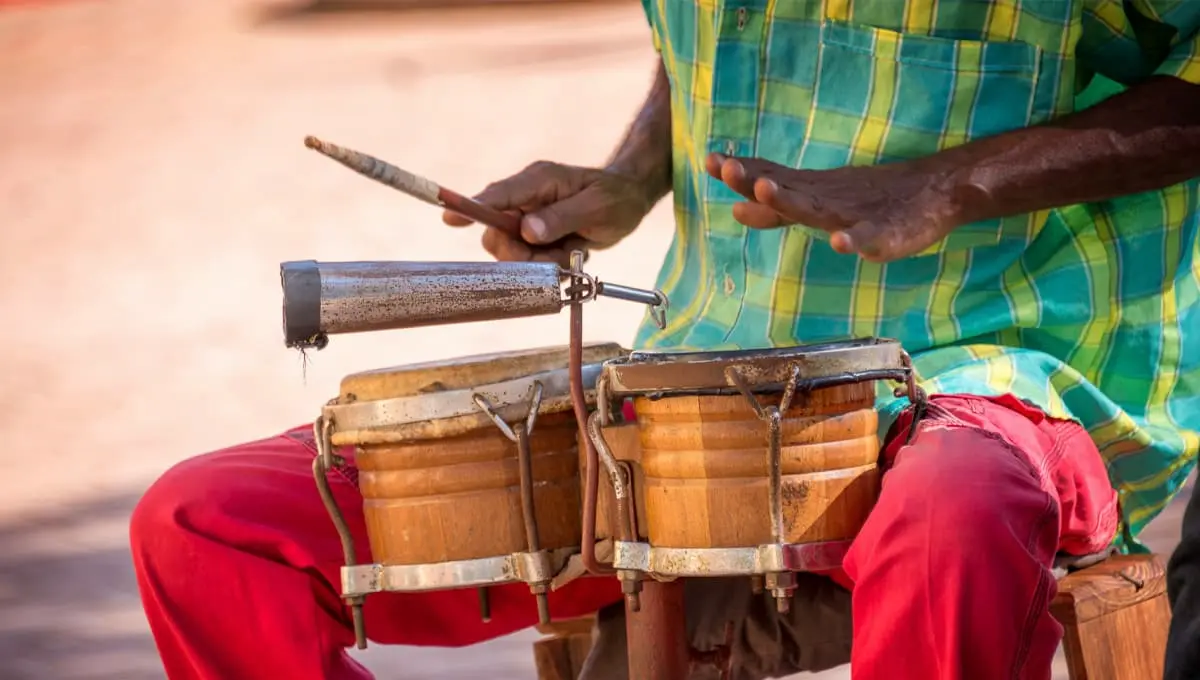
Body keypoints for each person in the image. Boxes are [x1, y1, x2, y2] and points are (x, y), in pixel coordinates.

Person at [130, 2, 1200, 679]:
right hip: (699, 371)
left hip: (999, 355)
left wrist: (952, 181)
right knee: (204, 525)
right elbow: (700, 38)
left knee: (955, 510)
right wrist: (631, 174)